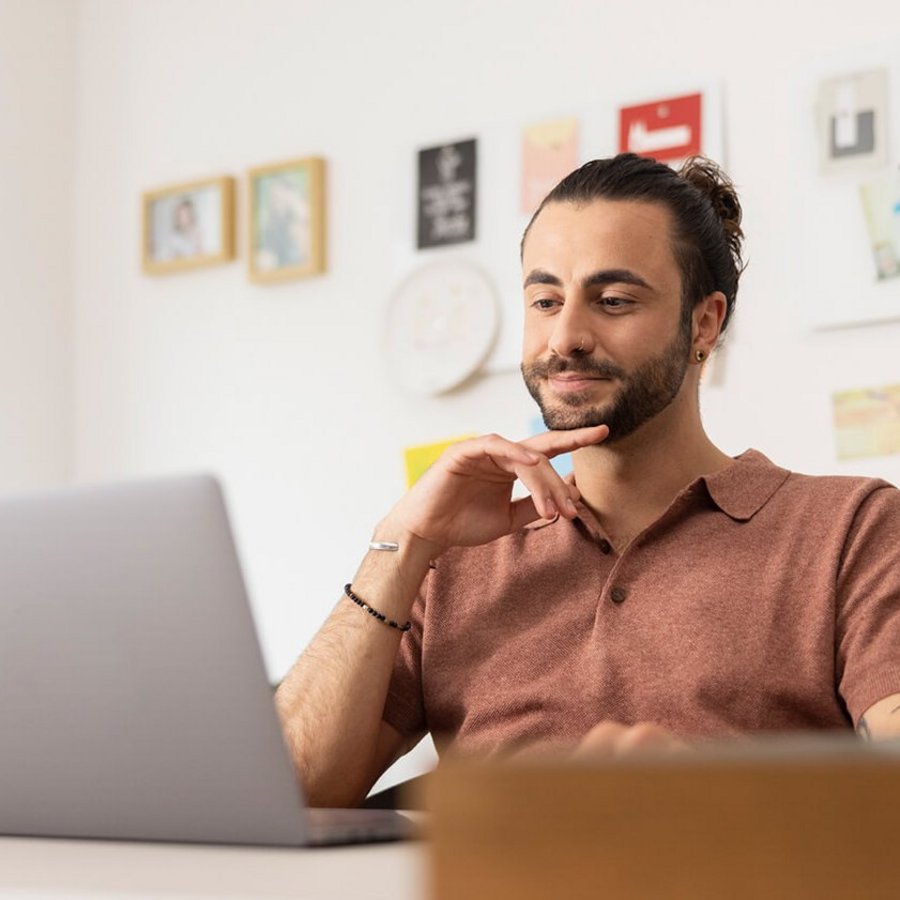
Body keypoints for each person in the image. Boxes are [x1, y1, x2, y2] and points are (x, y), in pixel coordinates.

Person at [275, 153, 900, 808]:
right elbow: (288, 797)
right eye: (545, 301)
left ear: (704, 324)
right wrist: (398, 545)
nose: (566, 335)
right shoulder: (453, 558)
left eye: (613, 301)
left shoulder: (853, 531)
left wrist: (722, 800)